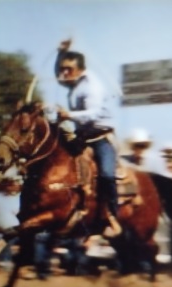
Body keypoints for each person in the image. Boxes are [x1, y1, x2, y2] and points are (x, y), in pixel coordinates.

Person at [51, 38, 121, 238]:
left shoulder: (92, 87)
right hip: (82, 136)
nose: (64, 73)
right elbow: (58, 76)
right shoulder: (74, 81)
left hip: (100, 138)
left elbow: (94, 114)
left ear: (80, 70)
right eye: (63, 68)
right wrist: (61, 54)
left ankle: (112, 216)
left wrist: (68, 115)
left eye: (68, 69)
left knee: (107, 174)